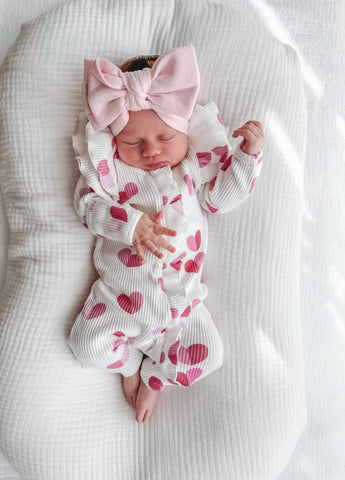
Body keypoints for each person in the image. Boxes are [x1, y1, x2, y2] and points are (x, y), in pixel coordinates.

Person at [68, 45, 264, 423]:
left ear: (184, 129)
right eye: (133, 143)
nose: (152, 151)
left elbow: (222, 199)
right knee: (86, 345)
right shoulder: (113, 175)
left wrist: (247, 157)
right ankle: (128, 364)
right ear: (114, 141)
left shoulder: (191, 170)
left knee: (210, 355)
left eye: (163, 137)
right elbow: (86, 206)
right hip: (120, 300)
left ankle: (154, 378)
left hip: (182, 311)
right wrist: (130, 224)